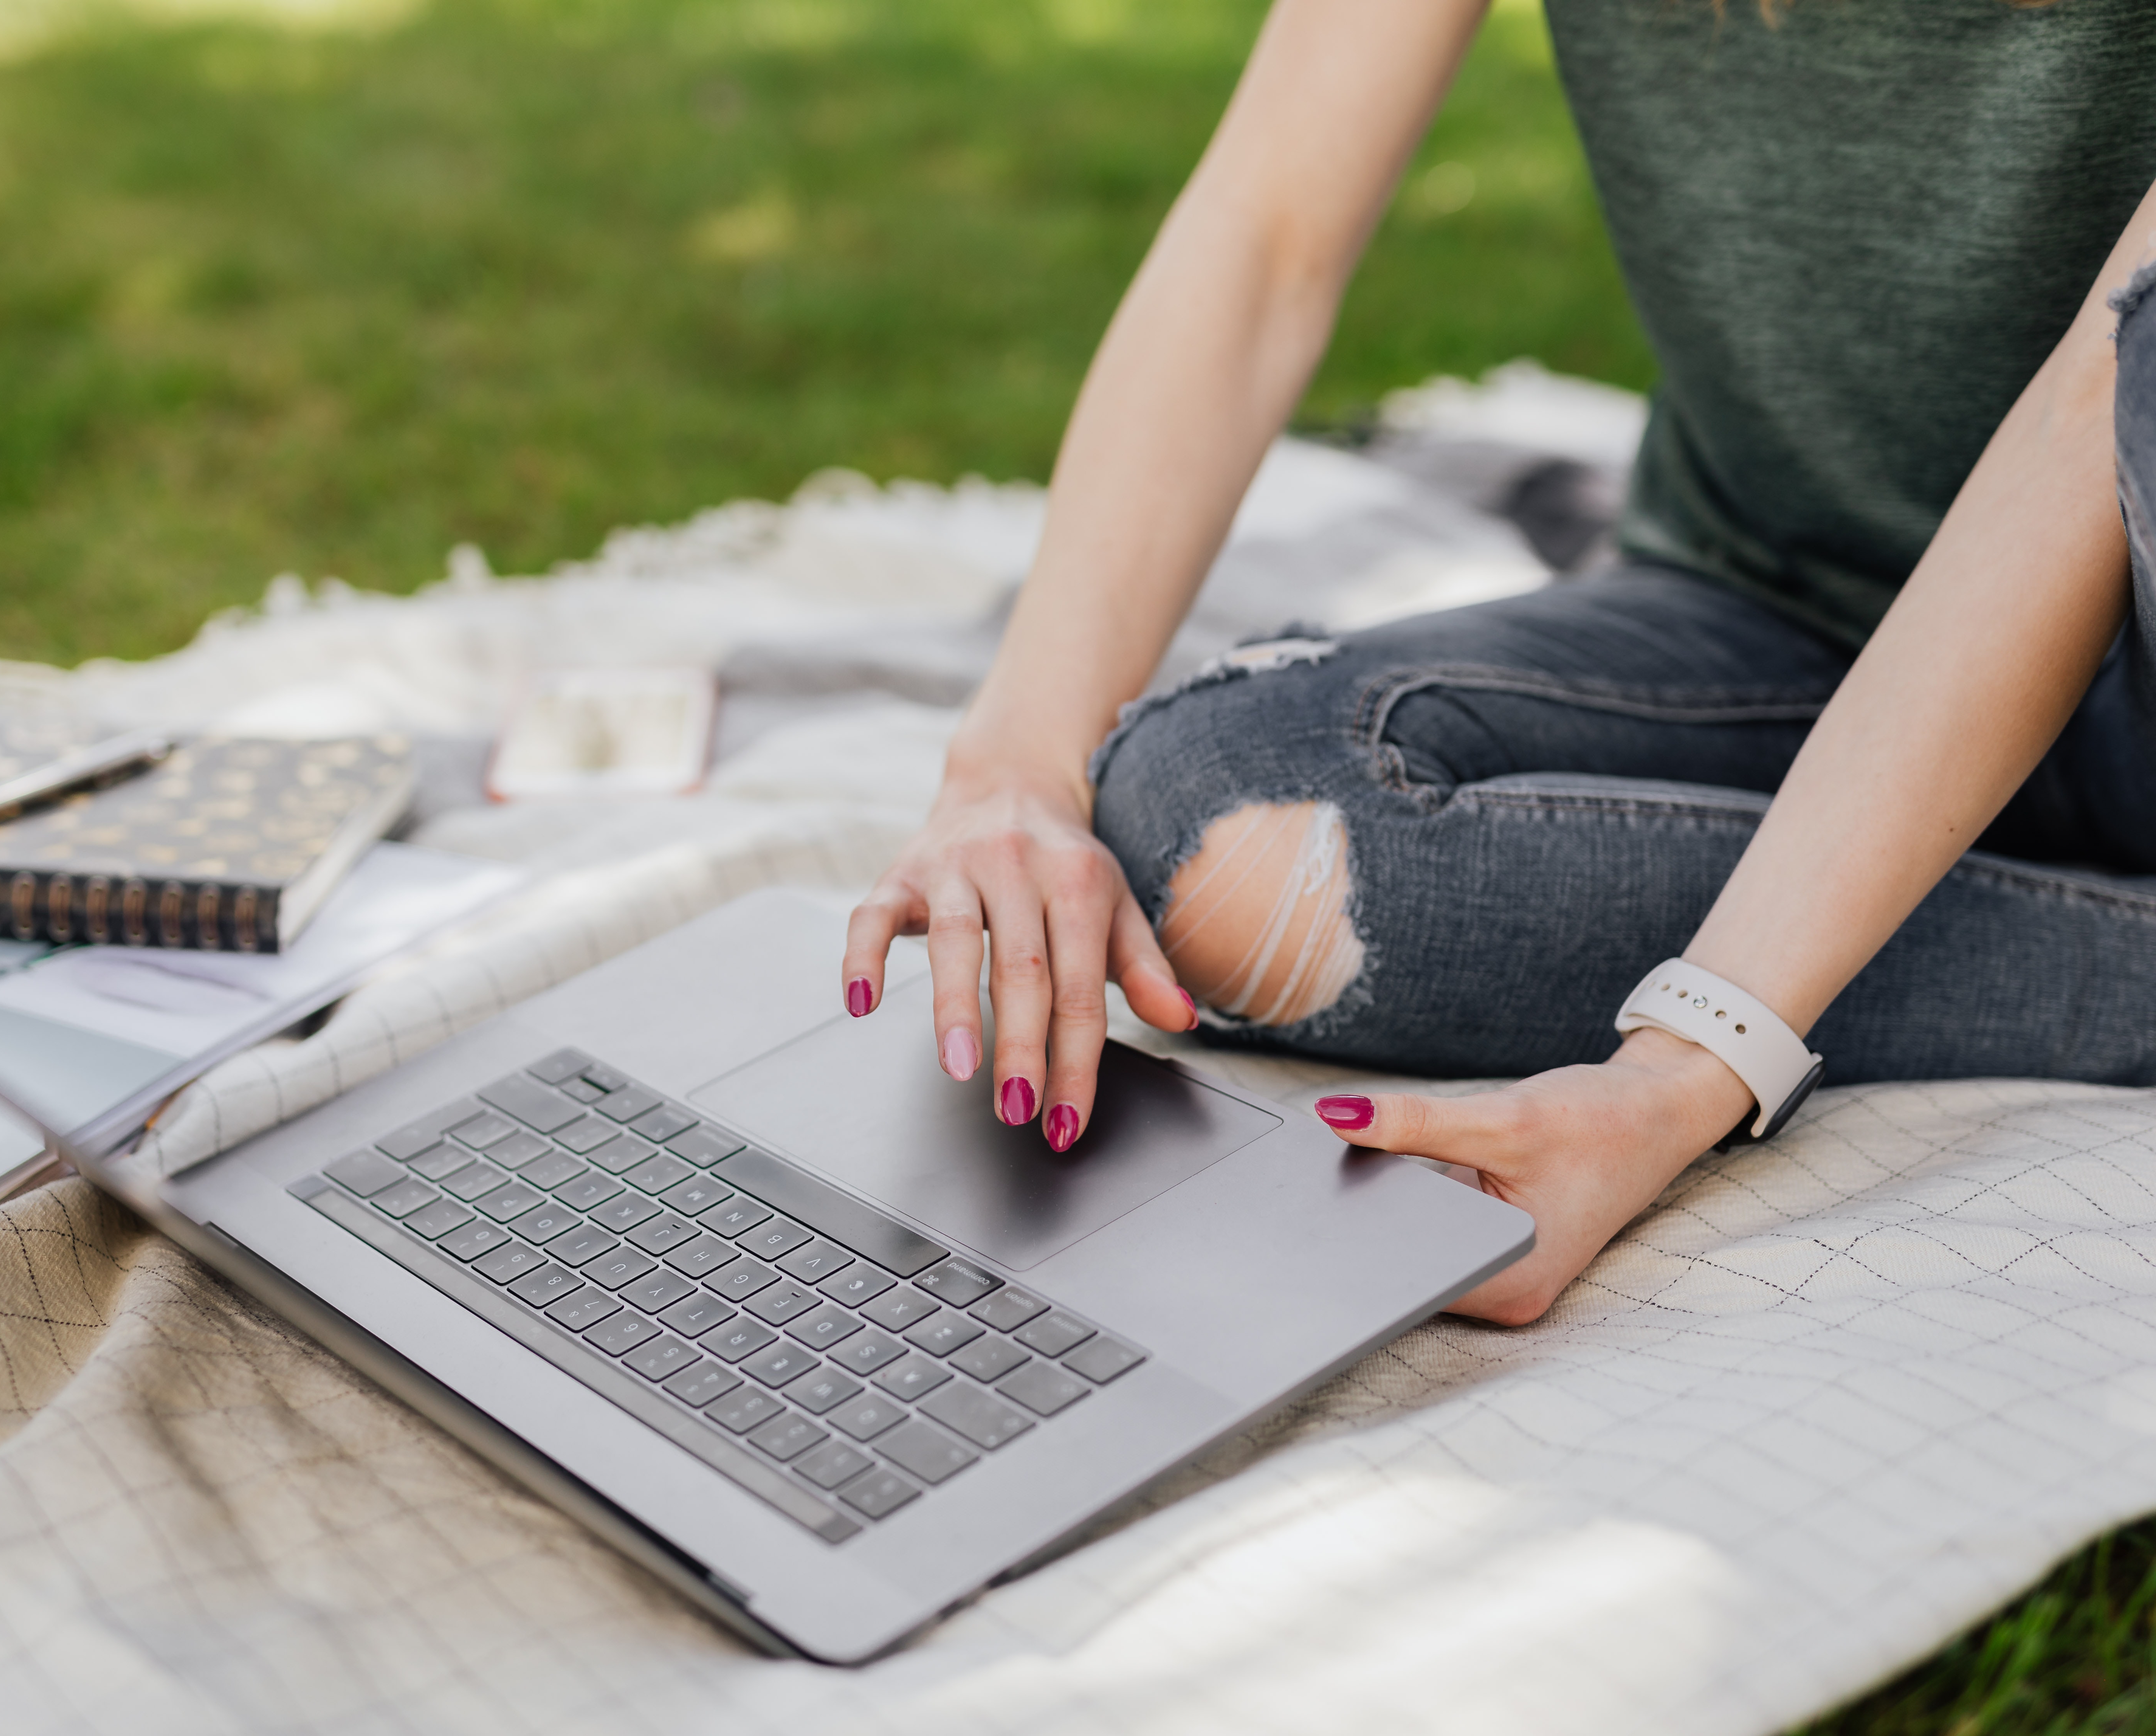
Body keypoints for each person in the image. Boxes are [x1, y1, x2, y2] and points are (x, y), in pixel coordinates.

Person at [837, 0, 2156, 1325]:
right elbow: (1269, 226)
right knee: (1229, 839)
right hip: (1777, 604)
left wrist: (1686, 1068)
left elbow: (2089, 414)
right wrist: (1013, 769)